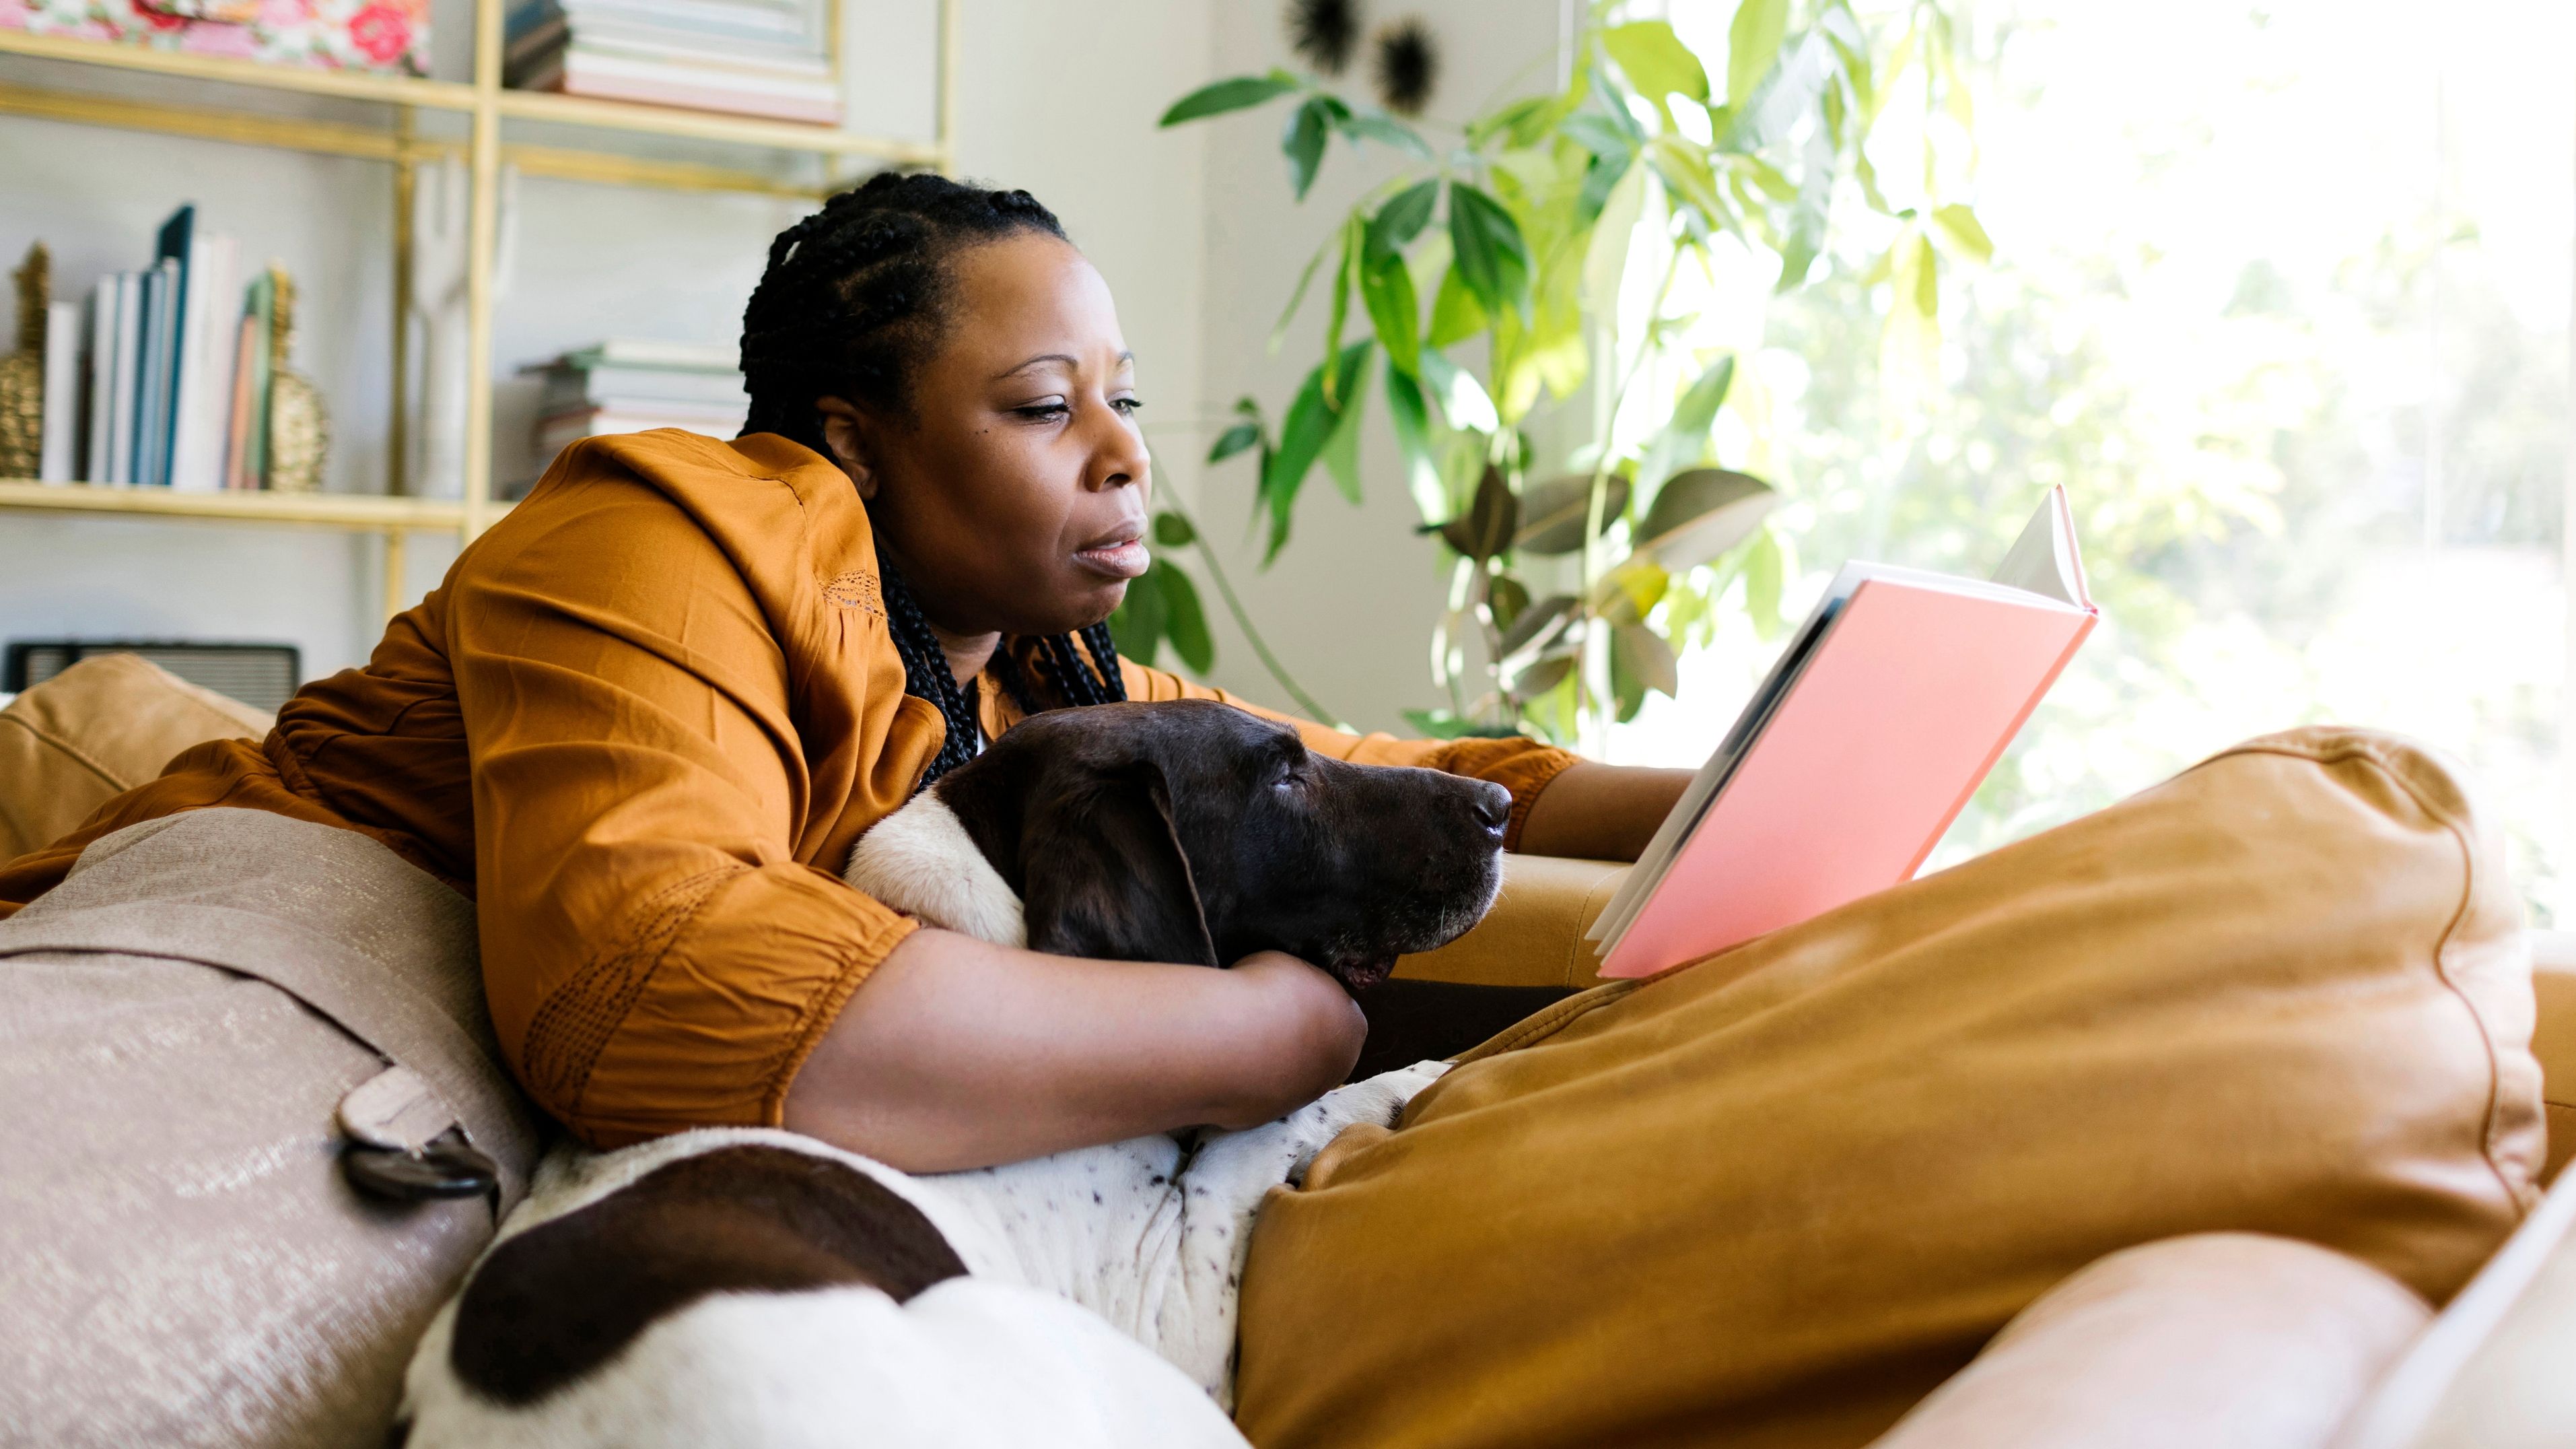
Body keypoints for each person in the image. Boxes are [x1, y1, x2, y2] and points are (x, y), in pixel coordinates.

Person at [0, 172, 1692, 1172]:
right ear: (852, 442)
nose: (1121, 458)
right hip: (170, 850)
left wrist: (1717, 792)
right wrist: (1253, 1040)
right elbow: (650, 989)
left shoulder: (1033, 671)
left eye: (1126, 401)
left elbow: (1350, 761)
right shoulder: (661, 527)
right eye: (1045, 406)